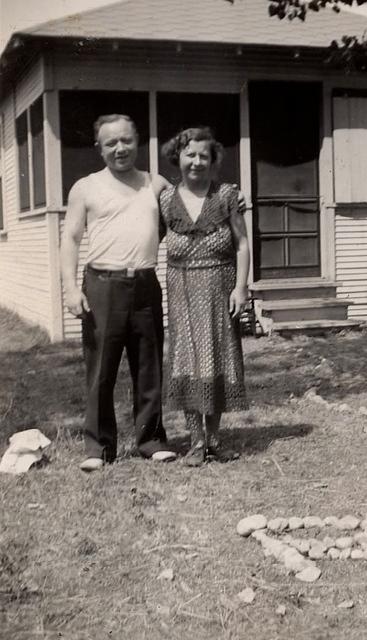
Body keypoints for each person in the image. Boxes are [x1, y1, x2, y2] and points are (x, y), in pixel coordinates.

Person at [60, 114, 176, 471]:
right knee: (101, 369)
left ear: (137, 141)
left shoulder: (155, 184)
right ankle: (98, 447)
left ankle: (151, 440)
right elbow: (71, 238)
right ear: (99, 148)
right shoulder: (85, 187)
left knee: (149, 365)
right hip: (101, 286)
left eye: (125, 140)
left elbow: (180, 221)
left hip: (144, 283)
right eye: (110, 143)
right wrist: (69, 288)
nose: (119, 148)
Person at [160, 127, 250, 466]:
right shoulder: (165, 199)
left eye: (204, 155)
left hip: (220, 288)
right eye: (190, 154)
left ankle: (213, 439)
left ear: (213, 161)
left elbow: (241, 244)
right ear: (177, 157)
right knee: (187, 359)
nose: (196, 161)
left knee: (219, 358)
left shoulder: (227, 196)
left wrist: (241, 288)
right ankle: (195, 442)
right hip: (181, 290)